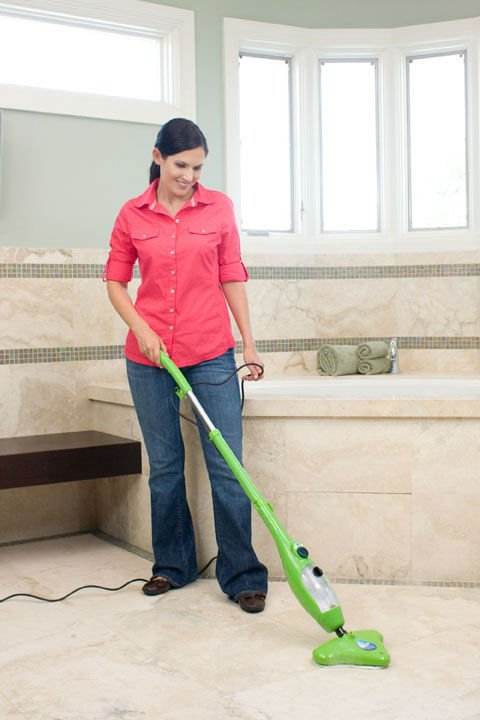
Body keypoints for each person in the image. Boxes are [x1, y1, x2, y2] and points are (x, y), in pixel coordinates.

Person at [104, 117, 268, 613]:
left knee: (228, 466)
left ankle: (242, 574)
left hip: (210, 353)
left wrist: (249, 344)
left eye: (198, 167)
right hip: (149, 358)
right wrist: (142, 329)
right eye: (181, 165)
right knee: (165, 468)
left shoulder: (218, 208)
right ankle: (172, 566)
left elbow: (231, 275)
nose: (190, 176)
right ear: (158, 157)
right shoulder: (132, 214)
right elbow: (115, 282)